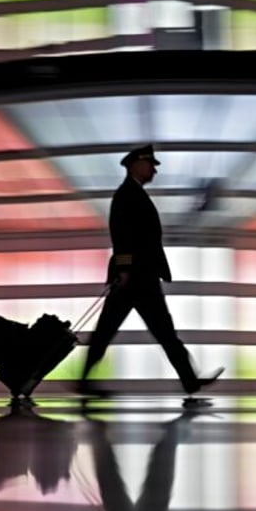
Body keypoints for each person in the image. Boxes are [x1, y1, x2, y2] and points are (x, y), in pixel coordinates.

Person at [77, 144, 222, 399]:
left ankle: (189, 381)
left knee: (154, 332)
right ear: (135, 165)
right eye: (151, 165)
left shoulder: (134, 194)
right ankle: (189, 381)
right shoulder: (127, 195)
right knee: (130, 332)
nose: (154, 171)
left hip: (140, 276)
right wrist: (123, 269)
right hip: (134, 278)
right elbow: (121, 235)